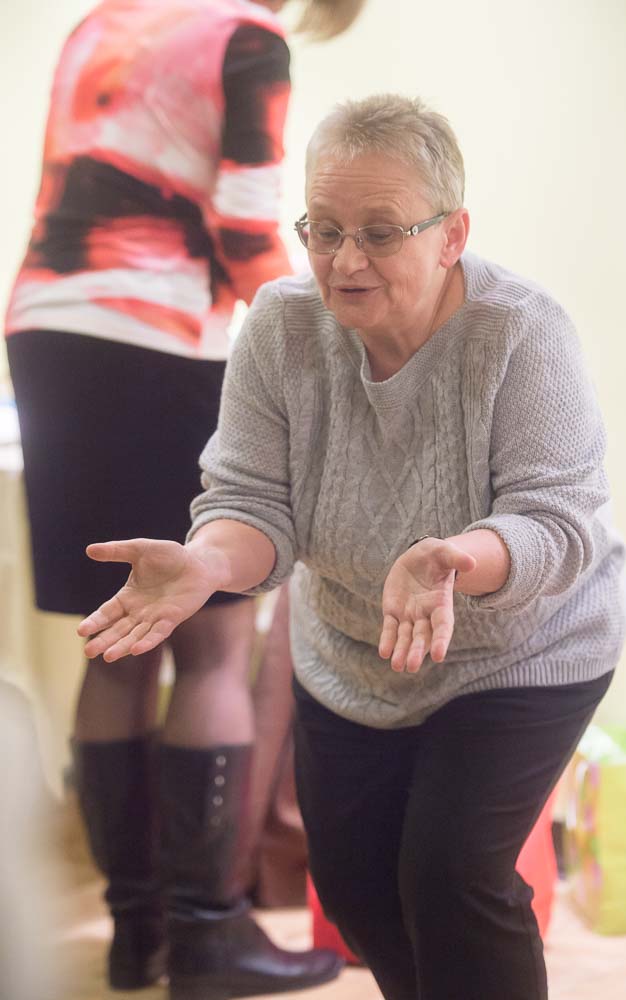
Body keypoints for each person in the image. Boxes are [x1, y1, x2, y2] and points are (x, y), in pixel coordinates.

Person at [75, 93, 626, 1000]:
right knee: (357, 889)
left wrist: (458, 558)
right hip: (351, 652)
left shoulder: (522, 331)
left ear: (452, 235)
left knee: (451, 876)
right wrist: (209, 563)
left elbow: (559, 522)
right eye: (323, 230)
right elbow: (253, 502)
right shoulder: (281, 325)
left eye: (380, 232)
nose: (344, 260)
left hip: (525, 648)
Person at [5, 1, 366, 998]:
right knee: (211, 637)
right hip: (156, 335)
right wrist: (336, 353)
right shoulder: (247, 39)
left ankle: (139, 938)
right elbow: (244, 227)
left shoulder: (104, 20)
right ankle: (209, 939)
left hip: (47, 336)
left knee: (118, 631)